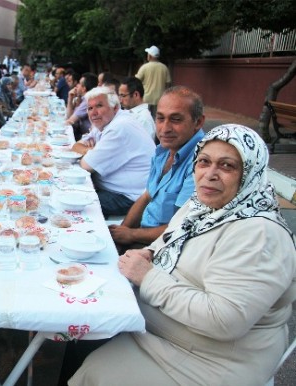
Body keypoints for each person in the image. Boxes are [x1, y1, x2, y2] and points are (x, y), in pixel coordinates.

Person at [69, 124, 296, 386]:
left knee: (95, 365)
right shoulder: (201, 206)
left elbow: (224, 321)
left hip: (211, 362)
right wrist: (145, 254)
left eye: (226, 166)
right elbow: (165, 244)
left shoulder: (259, 234)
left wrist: (148, 277)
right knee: (84, 330)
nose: (209, 174)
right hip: (164, 335)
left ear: (250, 174)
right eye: (204, 162)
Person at [110, 86, 205, 251]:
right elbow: (147, 196)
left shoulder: (203, 161)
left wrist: (131, 235)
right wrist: (121, 233)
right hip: (143, 233)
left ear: (197, 122)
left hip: (166, 246)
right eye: (160, 118)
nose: (165, 128)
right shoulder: (164, 150)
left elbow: (183, 227)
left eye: (175, 119)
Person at [71, 87, 155, 217]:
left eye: (99, 106)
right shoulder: (106, 122)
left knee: (72, 202)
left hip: (129, 198)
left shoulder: (119, 127)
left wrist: (88, 152)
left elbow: (85, 165)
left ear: (115, 107)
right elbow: (76, 146)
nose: (93, 113)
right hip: (117, 191)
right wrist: (90, 150)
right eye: (90, 108)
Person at [135, 45, 171, 117]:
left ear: (150, 56)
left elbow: (136, 81)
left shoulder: (144, 67)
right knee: (157, 118)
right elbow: (168, 83)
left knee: (145, 117)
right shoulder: (164, 68)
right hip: (159, 99)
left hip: (146, 98)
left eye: (148, 54)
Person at [117, 76, 156, 141]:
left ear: (136, 95)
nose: (120, 100)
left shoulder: (143, 119)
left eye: (123, 96)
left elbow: (144, 147)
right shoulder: (125, 112)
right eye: (119, 96)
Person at [66, 72, 98, 140]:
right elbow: (69, 117)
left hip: (88, 138)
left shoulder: (88, 100)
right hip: (83, 134)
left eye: (79, 83)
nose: (77, 85)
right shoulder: (83, 99)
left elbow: (70, 120)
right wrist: (70, 98)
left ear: (84, 88)